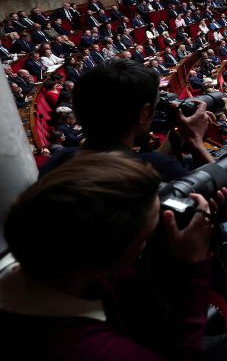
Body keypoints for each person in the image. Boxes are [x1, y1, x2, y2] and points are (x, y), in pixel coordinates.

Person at [39, 59, 227, 296]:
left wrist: (177, 138)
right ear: (145, 112)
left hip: (140, 257)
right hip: (219, 268)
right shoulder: (149, 172)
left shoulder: (60, 160)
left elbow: (155, 161)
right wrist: (196, 143)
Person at [0, 153, 213, 361]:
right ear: (109, 259)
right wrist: (193, 266)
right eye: (145, 237)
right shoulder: (86, 349)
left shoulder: (41, 246)